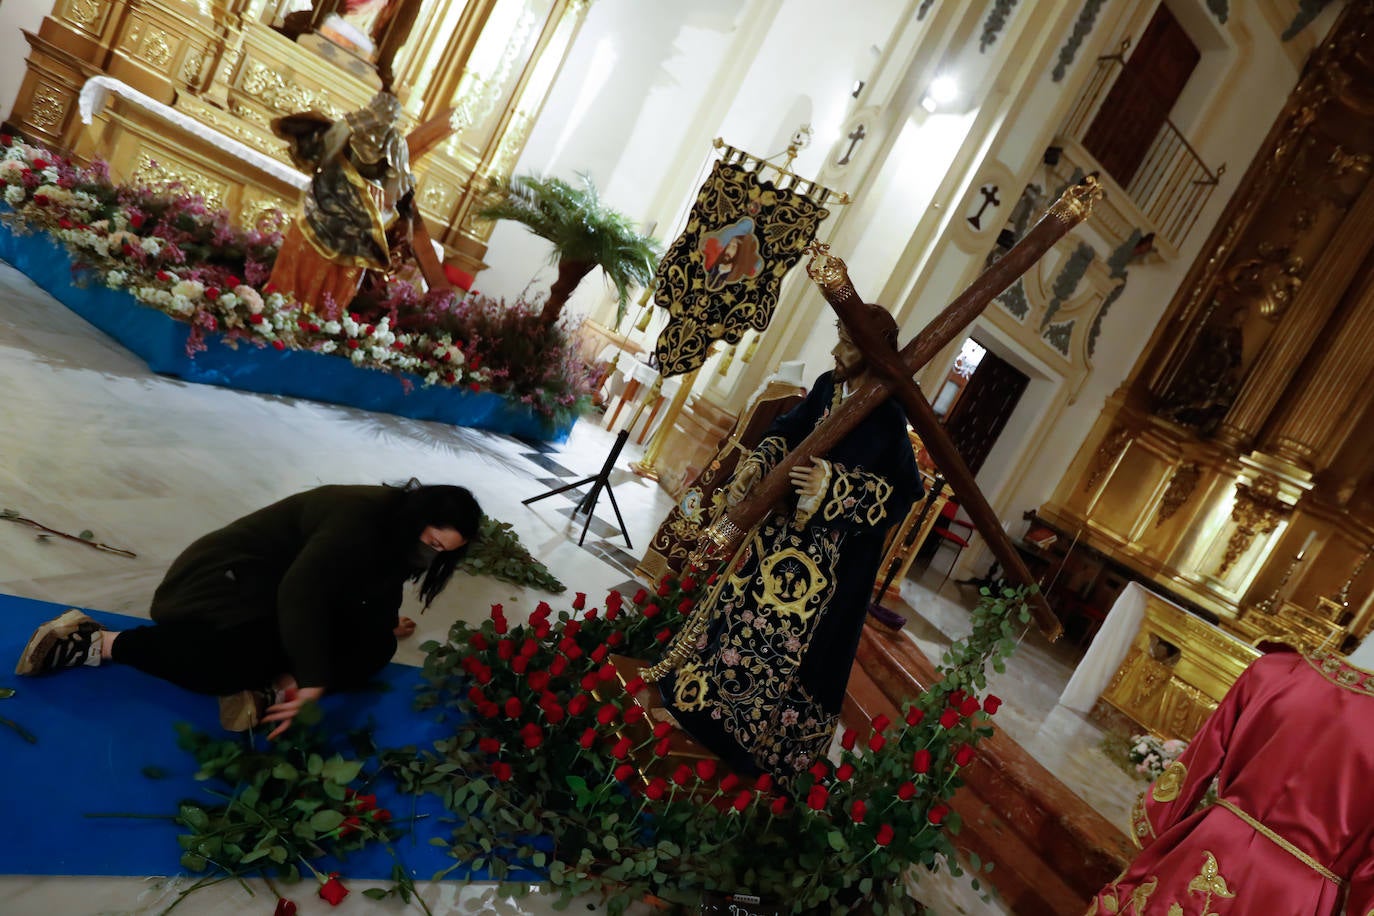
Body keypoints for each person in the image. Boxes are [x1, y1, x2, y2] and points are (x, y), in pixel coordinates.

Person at [651, 304, 921, 779]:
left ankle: (739, 742)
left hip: (823, 572)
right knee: (733, 624)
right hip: (774, 540)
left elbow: (903, 494)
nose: (837, 350)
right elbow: (787, 431)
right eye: (839, 335)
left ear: (875, 352)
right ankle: (692, 706)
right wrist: (760, 463)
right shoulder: (827, 386)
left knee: (771, 648)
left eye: (849, 344)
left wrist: (834, 487)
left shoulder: (887, 415)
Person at [15, 481, 481, 739]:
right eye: (431, 541)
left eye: (442, 551)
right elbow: (301, 594)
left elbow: (378, 584)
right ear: (419, 519)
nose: (429, 554)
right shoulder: (359, 518)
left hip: (278, 589)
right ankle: (92, 640)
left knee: (376, 645)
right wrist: (317, 679)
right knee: (224, 666)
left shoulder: (401, 530)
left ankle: (276, 687)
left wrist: (380, 623)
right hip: (224, 582)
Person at [1087, 639, 1374, 915]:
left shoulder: (1275, 671)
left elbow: (1201, 754)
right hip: (1293, 894)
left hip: (1212, 844)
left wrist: (1160, 817)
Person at [268, 91, 416, 315]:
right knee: (306, 247)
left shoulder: (393, 141)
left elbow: (397, 186)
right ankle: (288, 302)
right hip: (329, 198)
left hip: (360, 208)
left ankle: (316, 313)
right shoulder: (352, 126)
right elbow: (325, 154)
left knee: (341, 264)